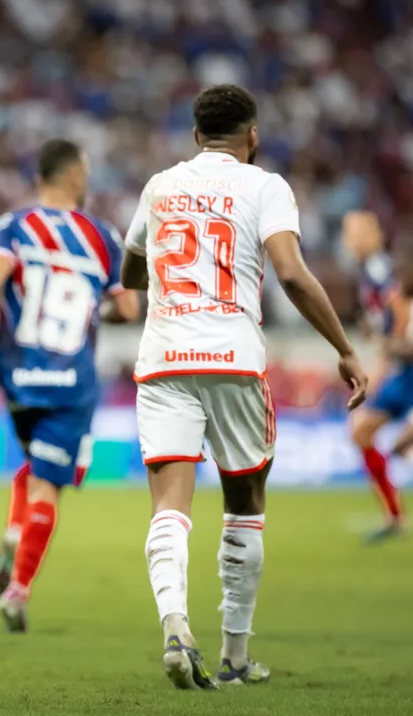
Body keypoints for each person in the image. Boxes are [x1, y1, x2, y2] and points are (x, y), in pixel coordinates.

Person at [119, 84, 368, 690]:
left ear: (195, 134)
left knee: (169, 508)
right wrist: (344, 347)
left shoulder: (160, 185)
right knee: (245, 507)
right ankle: (233, 656)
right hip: (233, 357)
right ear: (251, 136)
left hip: (165, 360)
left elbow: (130, 271)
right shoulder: (266, 186)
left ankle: (175, 623)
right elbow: (291, 273)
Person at [0, 138, 139, 631]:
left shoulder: (13, 227)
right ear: (76, 175)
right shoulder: (102, 236)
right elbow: (128, 308)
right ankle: (18, 590)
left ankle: (15, 532)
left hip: (19, 375)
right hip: (70, 380)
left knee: (39, 467)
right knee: (51, 485)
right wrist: (94, 305)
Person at [343, 211, 407, 541]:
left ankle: (395, 515)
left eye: (355, 232)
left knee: (364, 429)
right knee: (361, 430)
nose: (350, 240)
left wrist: (381, 367)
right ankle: (394, 515)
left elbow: (399, 309)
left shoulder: (380, 269)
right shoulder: (369, 271)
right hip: (401, 363)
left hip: (404, 365)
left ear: (373, 234)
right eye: (347, 233)